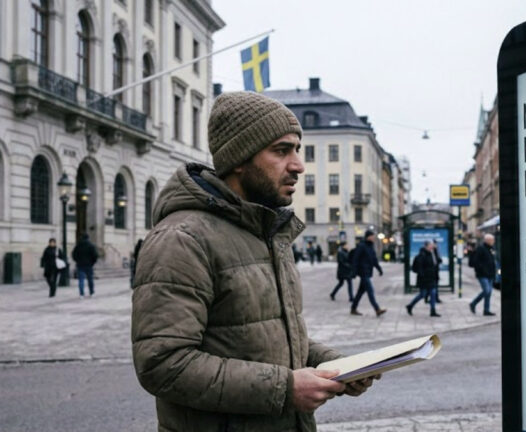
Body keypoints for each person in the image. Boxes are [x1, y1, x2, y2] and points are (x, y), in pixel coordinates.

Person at [131, 92, 378, 432]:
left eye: (297, 149)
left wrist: (336, 365)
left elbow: (268, 337)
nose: (298, 165)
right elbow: (163, 364)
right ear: (239, 158)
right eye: (281, 150)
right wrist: (286, 388)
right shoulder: (182, 239)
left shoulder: (267, 232)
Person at [350, 230, 387, 317]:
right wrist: (354, 272)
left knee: (360, 292)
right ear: (368, 237)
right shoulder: (361, 246)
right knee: (370, 291)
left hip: (368, 271)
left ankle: (353, 308)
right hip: (363, 272)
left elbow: (374, 260)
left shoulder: (370, 247)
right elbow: (355, 259)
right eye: (372, 236)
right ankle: (377, 309)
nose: (374, 237)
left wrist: (379, 269)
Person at [406, 241, 441, 317]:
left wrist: (436, 251)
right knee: (422, 294)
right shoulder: (421, 255)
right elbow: (417, 268)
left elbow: (437, 262)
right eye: (430, 246)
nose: (432, 247)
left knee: (433, 293)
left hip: (431, 278)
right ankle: (410, 305)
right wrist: (422, 274)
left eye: (432, 246)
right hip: (424, 279)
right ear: (426, 246)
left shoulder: (432, 254)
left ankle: (433, 311)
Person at [469, 233, 497, 316]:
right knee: (486, 290)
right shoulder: (481, 249)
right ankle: (473, 303)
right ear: (488, 240)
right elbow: (476, 262)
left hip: (490, 274)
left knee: (489, 293)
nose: (494, 241)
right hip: (483, 274)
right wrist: (483, 270)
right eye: (492, 240)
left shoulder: (491, 249)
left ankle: (486, 310)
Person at [72, 233, 98, 298]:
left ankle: (81, 294)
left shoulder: (78, 246)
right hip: (89, 265)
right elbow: (95, 256)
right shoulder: (91, 246)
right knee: (90, 279)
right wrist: (92, 263)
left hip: (80, 265)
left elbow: (74, 254)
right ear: (88, 238)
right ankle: (91, 293)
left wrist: (77, 261)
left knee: (81, 280)